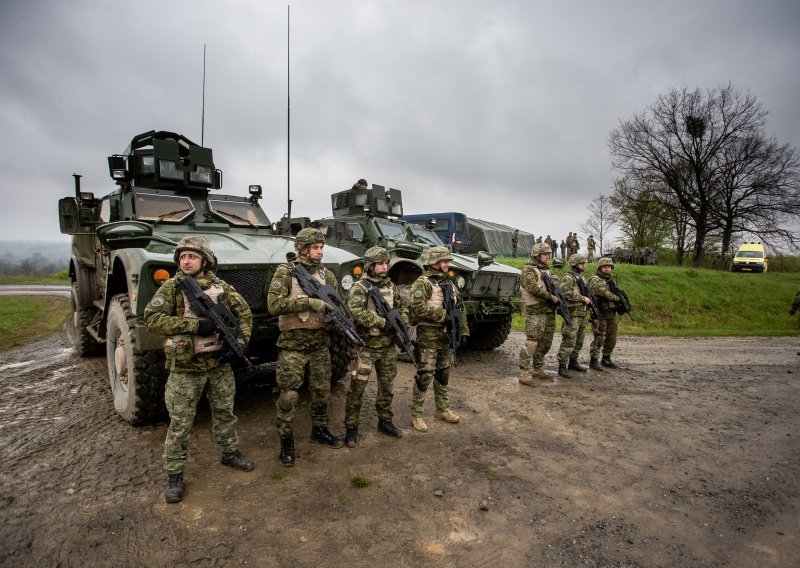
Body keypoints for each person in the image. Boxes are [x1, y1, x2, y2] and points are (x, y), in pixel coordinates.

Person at [144, 236, 255, 504]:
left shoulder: (221, 286)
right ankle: (174, 474)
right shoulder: (173, 287)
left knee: (225, 413)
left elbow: (244, 314)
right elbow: (152, 319)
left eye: (191, 256)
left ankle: (229, 452)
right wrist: (194, 326)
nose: (186, 261)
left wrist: (240, 341)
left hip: (217, 364)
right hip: (185, 367)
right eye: (182, 257)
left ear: (204, 260)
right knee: (181, 423)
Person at [267, 228, 345, 466]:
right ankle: (286, 441)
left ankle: (319, 430)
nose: (319, 251)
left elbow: (337, 304)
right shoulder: (285, 272)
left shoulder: (326, 275)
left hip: (320, 345)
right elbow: (274, 304)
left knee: (322, 392)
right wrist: (310, 302)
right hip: (293, 346)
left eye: (321, 247)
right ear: (302, 248)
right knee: (289, 396)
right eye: (314, 247)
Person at [344, 246, 407, 446]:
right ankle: (351, 428)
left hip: (387, 347)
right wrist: (382, 322)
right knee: (357, 389)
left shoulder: (391, 287)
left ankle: (385, 421)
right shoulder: (360, 287)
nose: (384, 266)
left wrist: (399, 322)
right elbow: (356, 312)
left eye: (386, 263)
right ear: (370, 266)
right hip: (366, 347)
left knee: (387, 387)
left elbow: (402, 308)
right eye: (380, 263)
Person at [409, 246, 469, 431]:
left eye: (448, 261)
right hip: (429, 335)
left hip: (447, 336)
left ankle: (442, 409)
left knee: (444, 373)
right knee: (425, 375)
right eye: (444, 261)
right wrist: (443, 315)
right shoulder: (423, 283)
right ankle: (417, 414)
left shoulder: (449, 284)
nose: (447, 264)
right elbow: (416, 309)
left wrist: (464, 331)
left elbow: (460, 309)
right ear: (434, 262)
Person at [518, 242, 561, 385]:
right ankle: (523, 373)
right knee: (532, 342)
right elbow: (532, 288)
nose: (547, 257)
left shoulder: (546, 270)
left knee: (545, 343)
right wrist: (551, 297)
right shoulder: (529, 270)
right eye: (545, 254)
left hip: (549, 311)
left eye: (548, 254)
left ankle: (538, 369)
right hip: (535, 311)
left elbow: (556, 285)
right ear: (537, 255)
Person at [556, 254, 593, 377]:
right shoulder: (568, 277)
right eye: (582, 264)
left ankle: (573, 362)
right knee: (569, 340)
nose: (584, 266)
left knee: (579, 340)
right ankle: (562, 366)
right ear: (575, 264)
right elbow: (565, 293)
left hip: (581, 314)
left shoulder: (581, 278)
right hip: (573, 314)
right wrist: (583, 298)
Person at [588, 257, 622, 370]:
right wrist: (617, 298)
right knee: (599, 337)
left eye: (609, 267)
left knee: (611, 337)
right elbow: (603, 292)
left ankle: (606, 358)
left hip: (611, 312)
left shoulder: (611, 281)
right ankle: (593, 360)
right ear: (600, 268)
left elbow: (615, 293)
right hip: (600, 313)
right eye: (605, 267)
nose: (607, 269)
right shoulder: (595, 279)